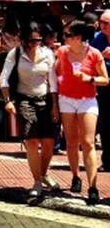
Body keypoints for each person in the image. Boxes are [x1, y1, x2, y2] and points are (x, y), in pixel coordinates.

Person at [0, 22, 60, 199]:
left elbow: (53, 81)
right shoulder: (16, 53)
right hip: (24, 99)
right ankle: (37, 181)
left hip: (46, 99)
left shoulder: (48, 54)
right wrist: (7, 100)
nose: (35, 44)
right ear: (24, 40)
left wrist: (55, 105)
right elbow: (4, 77)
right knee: (31, 140)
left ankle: (44, 173)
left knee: (48, 141)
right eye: (31, 41)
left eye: (38, 40)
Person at [56, 20, 109, 205]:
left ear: (78, 37)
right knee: (71, 141)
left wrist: (89, 78)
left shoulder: (93, 54)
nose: (64, 38)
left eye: (67, 35)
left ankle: (93, 186)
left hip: (87, 99)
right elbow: (56, 73)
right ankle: (75, 176)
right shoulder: (62, 52)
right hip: (66, 99)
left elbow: (105, 79)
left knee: (88, 141)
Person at [90, 10, 110, 172]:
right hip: (103, 85)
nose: (102, 26)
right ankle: (108, 160)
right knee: (105, 124)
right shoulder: (97, 38)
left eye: (106, 23)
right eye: (101, 22)